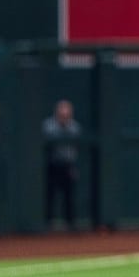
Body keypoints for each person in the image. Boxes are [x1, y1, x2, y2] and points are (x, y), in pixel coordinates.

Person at [42, 99, 82, 231]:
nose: (65, 117)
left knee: (69, 196)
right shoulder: (48, 125)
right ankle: (47, 223)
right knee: (50, 195)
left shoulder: (75, 127)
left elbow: (76, 148)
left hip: (68, 165)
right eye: (62, 114)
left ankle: (71, 224)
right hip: (52, 165)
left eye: (67, 114)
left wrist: (74, 166)